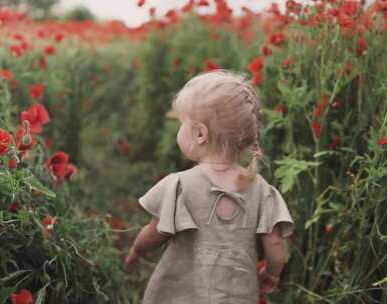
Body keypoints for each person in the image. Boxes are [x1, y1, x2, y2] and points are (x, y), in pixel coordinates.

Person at [125, 70, 295, 303]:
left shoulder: (179, 186)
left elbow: (155, 232)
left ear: (201, 134)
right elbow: (276, 244)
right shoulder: (262, 191)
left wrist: (137, 251)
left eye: (182, 123)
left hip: (181, 293)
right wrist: (272, 273)